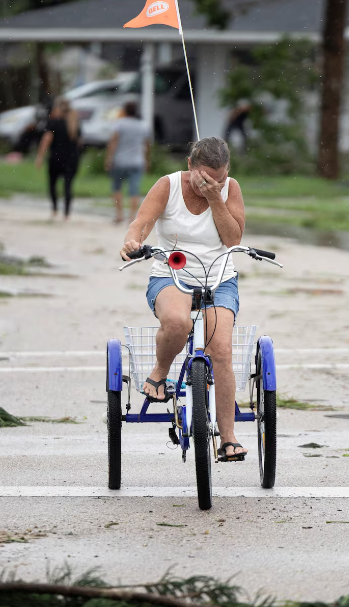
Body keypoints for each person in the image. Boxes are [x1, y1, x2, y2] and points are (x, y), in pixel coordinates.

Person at [119, 137, 248, 462]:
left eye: (218, 178)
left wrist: (215, 197)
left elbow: (232, 239)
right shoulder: (169, 185)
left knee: (221, 350)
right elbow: (141, 224)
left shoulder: (229, 189)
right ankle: (160, 371)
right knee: (177, 323)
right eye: (204, 176)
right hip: (171, 275)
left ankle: (228, 437)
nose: (211, 182)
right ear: (190, 165)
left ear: (227, 171)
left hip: (219, 278)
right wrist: (133, 242)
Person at [35, 97, 81, 220]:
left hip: (56, 158)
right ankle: (66, 214)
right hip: (72, 158)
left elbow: (46, 139)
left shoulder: (54, 122)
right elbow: (79, 142)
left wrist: (40, 156)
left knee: (52, 184)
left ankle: (55, 210)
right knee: (68, 185)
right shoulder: (75, 123)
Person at [106, 102, 150, 225]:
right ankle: (132, 216)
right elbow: (146, 144)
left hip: (120, 161)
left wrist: (109, 159)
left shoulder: (120, 124)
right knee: (134, 189)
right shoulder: (143, 125)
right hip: (137, 161)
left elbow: (113, 142)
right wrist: (147, 159)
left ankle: (119, 214)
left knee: (117, 187)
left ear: (125, 111)